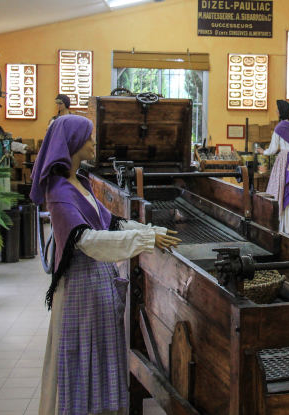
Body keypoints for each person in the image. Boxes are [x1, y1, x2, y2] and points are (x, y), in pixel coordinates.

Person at [30, 114, 180, 414]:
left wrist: (151, 231)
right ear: (72, 143)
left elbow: (110, 223)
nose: (93, 142)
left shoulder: (79, 182)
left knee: (99, 352)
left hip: (97, 283)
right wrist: (145, 241)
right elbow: (87, 240)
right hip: (80, 289)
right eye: (88, 137)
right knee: (82, 354)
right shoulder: (60, 192)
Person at [256, 100, 289, 234]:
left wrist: (263, 152)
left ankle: (282, 225)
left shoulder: (280, 127)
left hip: (284, 161)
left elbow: (273, 149)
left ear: (282, 111)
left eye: (277, 109)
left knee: (280, 190)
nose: (276, 111)